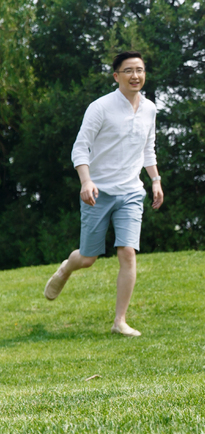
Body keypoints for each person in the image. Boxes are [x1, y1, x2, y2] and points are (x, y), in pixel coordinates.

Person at [43, 51, 163, 337]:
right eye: (128, 71)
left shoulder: (149, 109)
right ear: (116, 76)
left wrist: (155, 180)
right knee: (87, 258)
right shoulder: (100, 107)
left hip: (132, 192)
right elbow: (80, 147)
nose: (135, 76)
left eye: (140, 70)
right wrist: (86, 181)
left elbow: (148, 148)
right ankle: (65, 270)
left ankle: (119, 321)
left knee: (128, 253)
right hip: (98, 191)